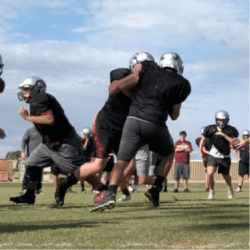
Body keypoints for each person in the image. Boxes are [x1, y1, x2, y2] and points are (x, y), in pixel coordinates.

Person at [92, 51, 191, 212]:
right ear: (178, 67)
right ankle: (156, 189)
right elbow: (174, 116)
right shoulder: (181, 83)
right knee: (168, 153)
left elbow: (114, 88)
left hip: (133, 121)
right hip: (155, 124)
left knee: (122, 160)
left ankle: (110, 195)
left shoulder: (147, 71)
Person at [55, 60, 144, 206]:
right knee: (98, 166)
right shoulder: (123, 76)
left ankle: (114, 192)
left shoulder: (143, 88)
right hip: (106, 127)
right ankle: (64, 184)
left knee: (128, 165)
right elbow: (115, 88)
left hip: (123, 129)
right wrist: (135, 75)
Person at [10, 76, 99, 205]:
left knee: (78, 171)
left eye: (27, 89)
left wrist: (27, 117)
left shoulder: (39, 98)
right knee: (31, 163)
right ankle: (29, 195)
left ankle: (103, 189)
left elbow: (49, 119)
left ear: (37, 88)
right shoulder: (38, 100)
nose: (24, 92)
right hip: (50, 144)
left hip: (65, 142)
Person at [199, 110, 239, 199]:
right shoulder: (210, 128)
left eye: (224, 120)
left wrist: (223, 135)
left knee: (226, 176)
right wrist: (200, 150)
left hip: (225, 156)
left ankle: (229, 189)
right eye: (220, 120)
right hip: (213, 155)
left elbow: (234, 141)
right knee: (210, 173)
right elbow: (203, 139)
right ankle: (211, 192)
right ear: (216, 120)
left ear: (227, 120)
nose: (221, 122)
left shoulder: (230, 129)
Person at [21, 126, 44, 194]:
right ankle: (25, 188)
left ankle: (38, 189)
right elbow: (24, 141)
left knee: (39, 173)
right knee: (28, 172)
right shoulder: (29, 131)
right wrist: (22, 152)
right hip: (31, 156)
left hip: (41, 156)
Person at [195, 127, 212, 192]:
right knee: (208, 173)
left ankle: (209, 187)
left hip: (210, 157)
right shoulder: (199, 140)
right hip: (207, 158)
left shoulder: (211, 140)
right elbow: (203, 150)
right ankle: (208, 187)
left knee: (209, 173)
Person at [80, 127, 93, 193]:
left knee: (91, 173)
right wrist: (86, 141)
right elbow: (83, 149)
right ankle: (82, 188)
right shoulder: (80, 140)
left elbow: (93, 149)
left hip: (89, 158)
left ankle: (94, 188)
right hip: (82, 158)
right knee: (82, 174)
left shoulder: (91, 139)